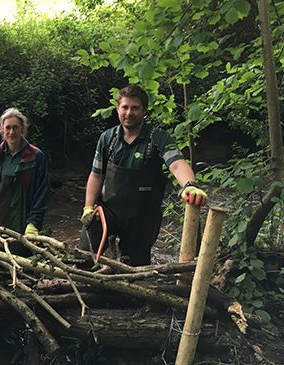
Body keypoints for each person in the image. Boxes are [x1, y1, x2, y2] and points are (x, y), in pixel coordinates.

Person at [80, 85, 208, 266]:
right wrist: (88, 207)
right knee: (82, 256)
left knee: (134, 269)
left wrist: (190, 185)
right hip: (107, 211)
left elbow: (178, 164)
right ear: (118, 109)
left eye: (135, 108)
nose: (129, 113)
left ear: (144, 110)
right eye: (124, 107)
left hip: (142, 217)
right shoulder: (107, 139)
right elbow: (96, 175)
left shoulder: (158, 138)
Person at [0, 108, 50, 235]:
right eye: (8, 128)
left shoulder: (36, 157)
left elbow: (42, 193)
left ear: (22, 129)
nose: (11, 132)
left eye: (15, 127)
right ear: (2, 129)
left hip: (23, 223)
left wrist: (34, 222)